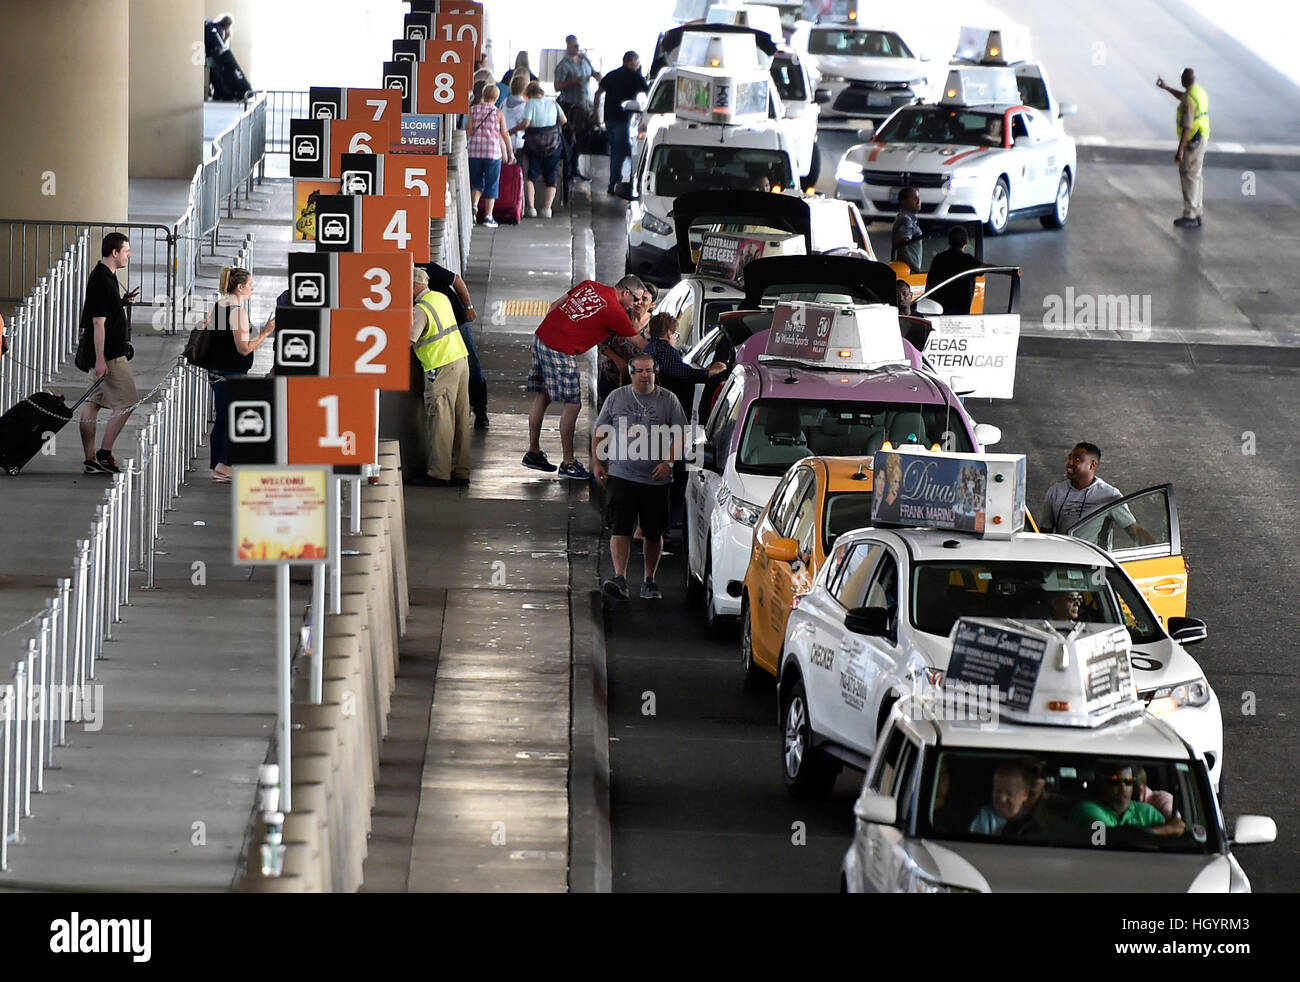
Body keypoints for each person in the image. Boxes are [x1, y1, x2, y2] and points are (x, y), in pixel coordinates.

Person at [524, 276, 649, 479]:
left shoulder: (590, 285)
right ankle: (568, 462)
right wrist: (668, 356)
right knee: (573, 406)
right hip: (560, 349)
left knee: (543, 395)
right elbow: (640, 343)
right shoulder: (615, 312)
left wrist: (542, 336)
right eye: (636, 299)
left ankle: (533, 452)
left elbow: (555, 305)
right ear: (626, 292)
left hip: (542, 337)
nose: (636, 305)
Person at [593, 351, 688, 601]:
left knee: (653, 532)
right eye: (641, 371)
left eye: (650, 371)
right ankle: (620, 577)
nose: (646, 375)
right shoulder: (616, 397)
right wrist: (597, 463)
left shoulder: (668, 400)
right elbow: (600, 431)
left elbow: (680, 434)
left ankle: (649, 579)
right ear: (632, 374)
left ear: (655, 373)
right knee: (620, 528)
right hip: (621, 475)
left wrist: (669, 462)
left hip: (655, 480)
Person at [644, 313, 726, 532]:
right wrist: (711, 372)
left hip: (653, 421)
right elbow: (684, 373)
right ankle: (666, 524)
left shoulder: (648, 349)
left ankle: (651, 525)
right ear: (669, 333)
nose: (675, 338)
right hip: (668, 423)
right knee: (676, 472)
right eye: (675, 334)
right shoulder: (664, 350)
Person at [77, 233, 141, 475]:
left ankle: (90, 459)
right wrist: (101, 360)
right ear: (114, 252)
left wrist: (121, 303)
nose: (129, 254)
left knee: (93, 402)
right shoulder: (102, 281)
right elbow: (98, 323)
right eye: (126, 250)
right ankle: (104, 454)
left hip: (103, 353)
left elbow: (103, 310)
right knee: (128, 401)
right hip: (110, 355)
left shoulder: (106, 276)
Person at [205, 267, 276, 482]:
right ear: (240, 286)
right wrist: (265, 333)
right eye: (250, 285)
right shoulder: (237, 312)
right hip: (231, 373)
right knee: (232, 420)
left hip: (217, 370)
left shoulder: (218, 307)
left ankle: (218, 464)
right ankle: (225, 465)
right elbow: (244, 348)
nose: (252, 289)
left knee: (223, 419)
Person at [409, 266, 471, 487]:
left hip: (442, 365)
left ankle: (439, 473)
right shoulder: (440, 297)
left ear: (415, 286)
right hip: (461, 359)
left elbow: (409, 339)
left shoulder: (420, 309)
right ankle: (460, 470)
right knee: (461, 417)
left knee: (442, 418)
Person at [418, 261, 489, 428]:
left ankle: (480, 411)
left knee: (471, 364)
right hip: (435, 322)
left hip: (455, 320)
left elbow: (456, 280)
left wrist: (468, 307)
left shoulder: (423, 266)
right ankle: (464, 411)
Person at [1040, 442, 1155, 543]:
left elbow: (1133, 530)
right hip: (1063, 563)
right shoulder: (1055, 491)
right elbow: (1045, 532)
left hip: (1095, 565)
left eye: (1077, 459)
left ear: (1092, 465)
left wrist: (1161, 558)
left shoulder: (1110, 495)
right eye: (1069, 458)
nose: (1069, 463)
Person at [1156, 68, 1209, 228]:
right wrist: (1166, 88)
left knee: (1188, 175)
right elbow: (1184, 97)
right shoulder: (1198, 92)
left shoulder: (1189, 100)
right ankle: (1197, 211)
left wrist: (1180, 150)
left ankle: (1190, 214)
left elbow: (1187, 126)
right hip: (1202, 137)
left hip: (1193, 141)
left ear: (1184, 80)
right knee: (1196, 175)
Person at [1070, 763, 1186, 835]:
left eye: (1128, 781)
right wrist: (1158, 831)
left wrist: (1168, 829)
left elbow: (1177, 827)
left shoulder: (1147, 811)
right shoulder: (1086, 808)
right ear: (1102, 785)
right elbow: (1113, 838)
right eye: (1115, 781)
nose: (1123, 787)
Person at [596, 51, 649, 194]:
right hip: (623, 120)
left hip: (609, 119)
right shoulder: (635, 77)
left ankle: (617, 181)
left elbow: (598, 93)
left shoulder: (612, 74)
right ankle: (615, 183)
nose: (638, 65)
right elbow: (648, 94)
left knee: (616, 150)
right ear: (632, 61)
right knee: (621, 151)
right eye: (637, 62)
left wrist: (596, 114)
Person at [516, 82, 567, 218]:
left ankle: (531, 208)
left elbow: (526, 123)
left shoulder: (531, 103)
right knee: (551, 178)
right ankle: (547, 209)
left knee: (530, 176)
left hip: (534, 145)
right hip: (553, 144)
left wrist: (513, 130)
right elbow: (563, 120)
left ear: (529, 94)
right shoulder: (553, 103)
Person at [466, 84, 513, 229]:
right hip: (492, 153)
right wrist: (510, 152)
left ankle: (474, 206)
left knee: (477, 183)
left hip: (474, 152)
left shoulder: (473, 110)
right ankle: (488, 216)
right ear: (497, 97)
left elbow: (468, 130)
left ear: (483, 95)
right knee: (492, 184)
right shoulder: (498, 113)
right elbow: (504, 133)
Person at [554, 34, 602, 178]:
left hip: (584, 104)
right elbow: (557, 86)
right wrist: (573, 81)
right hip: (570, 105)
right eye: (574, 45)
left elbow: (592, 72)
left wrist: (596, 75)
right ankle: (568, 169)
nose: (577, 48)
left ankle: (575, 168)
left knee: (582, 137)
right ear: (568, 46)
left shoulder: (584, 60)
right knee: (570, 138)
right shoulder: (563, 65)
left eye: (578, 45)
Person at [925, 225, 984, 315]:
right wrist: (1008, 271)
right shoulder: (967, 260)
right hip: (959, 312)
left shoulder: (939, 258)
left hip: (938, 310)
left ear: (949, 241)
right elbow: (985, 268)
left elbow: (929, 285)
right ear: (966, 242)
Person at [968, 761, 1034, 835]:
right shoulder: (984, 816)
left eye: (1009, 793)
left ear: (1025, 795)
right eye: (998, 791)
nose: (1002, 799)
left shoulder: (1031, 826)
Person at [891, 187, 923, 273]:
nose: (918, 201)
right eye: (914, 198)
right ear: (903, 202)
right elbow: (902, 249)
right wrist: (916, 271)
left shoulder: (909, 219)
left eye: (918, 197)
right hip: (906, 272)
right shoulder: (906, 220)